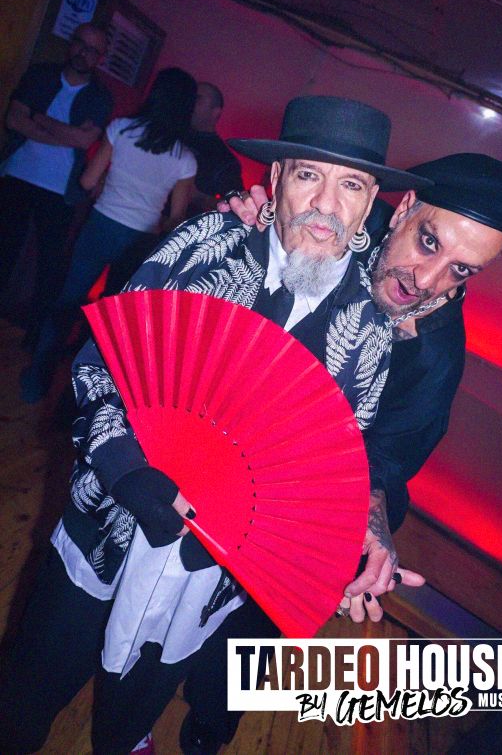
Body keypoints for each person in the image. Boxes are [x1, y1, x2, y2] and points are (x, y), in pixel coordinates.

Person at [0, 95, 430, 755]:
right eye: (308, 175)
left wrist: (351, 552)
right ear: (276, 179)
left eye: (350, 185)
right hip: (105, 526)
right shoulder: (206, 244)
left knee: (126, 720)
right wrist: (124, 468)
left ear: (370, 200)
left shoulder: (371, 333)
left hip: (208, 578)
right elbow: (101, 360)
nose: (326, 203)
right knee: (25, 698)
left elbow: (335, 463)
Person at [172, 150, 502, 754]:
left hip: (310, 503)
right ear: (402, 209)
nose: (427, 280)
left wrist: (370, 527)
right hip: (219, 456)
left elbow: (386, 460)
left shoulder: (437, 358)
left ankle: (207, 727)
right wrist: (247, 220)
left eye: (461, 271)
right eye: (428, 241)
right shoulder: (340, 221)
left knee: (254, 631)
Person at [19, 67, 198, 403]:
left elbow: (87, 181)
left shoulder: (121, 129)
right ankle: (81, 397)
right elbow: (176, 218)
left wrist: (106, 187)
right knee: (112, 320)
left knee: (68, 301)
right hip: (140, 241)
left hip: (101, 225)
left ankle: (36, 382)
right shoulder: (185, 159)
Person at [0, 23, 113, 338]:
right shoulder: (40, 74)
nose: (83, 53)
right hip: (17, 174)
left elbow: (83, 140)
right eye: (80, 44)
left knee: (49, 265)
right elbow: (13, 120)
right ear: (71, 43)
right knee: (4, 249)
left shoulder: (100, 96)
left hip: (60, 189)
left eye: (92, 50)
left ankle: (34, 333)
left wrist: (38, 118)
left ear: (100, 58)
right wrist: (65, 134)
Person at [185, 81, 243, 217]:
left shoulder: (224, 159)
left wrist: (197, 196)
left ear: (215, 112)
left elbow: (235, 207)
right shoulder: (169, 135)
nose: (190, 103)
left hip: (180, 226)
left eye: (198, 100)